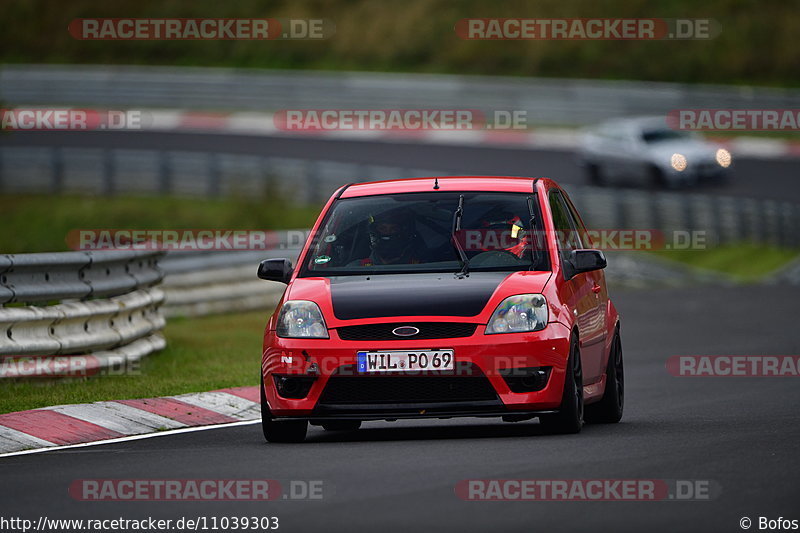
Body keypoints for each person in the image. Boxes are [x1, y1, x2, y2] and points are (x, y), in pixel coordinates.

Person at [360, 210, 425, 266]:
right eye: (382, 228)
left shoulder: (419, 266)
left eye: (394, 229)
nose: (388, 232)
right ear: (375, 231)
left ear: (401, 232)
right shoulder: (358, 268)